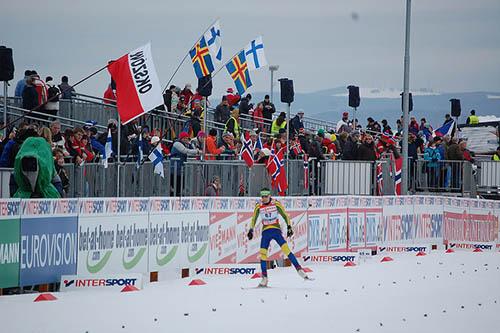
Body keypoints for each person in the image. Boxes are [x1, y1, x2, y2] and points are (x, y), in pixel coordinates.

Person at [247, 188, 311, 287]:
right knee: (263, 254)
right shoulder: (258, 206)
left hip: (276, 231)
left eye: (265, 197)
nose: (263, 199)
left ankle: (300, 270)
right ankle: (264, 278)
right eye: (262, 197)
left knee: (286, 250)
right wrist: (251, 230)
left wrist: (289, 227)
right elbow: (254, 219)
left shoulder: (276, 204)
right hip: (266, 232)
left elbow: (285, 216)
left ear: (269, 196)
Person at [170, 131, 200, 196]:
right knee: (175, 185)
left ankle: (177, 195)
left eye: (187, 138)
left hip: (180, 169)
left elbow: (190, 150)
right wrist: (197, 151)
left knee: (180, 185)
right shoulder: (177, 144)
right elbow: (185, 151)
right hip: (174, 169)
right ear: (181, 138)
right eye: (185, 138)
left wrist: (190, 144)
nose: (186, 139)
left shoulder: (185, 144)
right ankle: (174, 197)